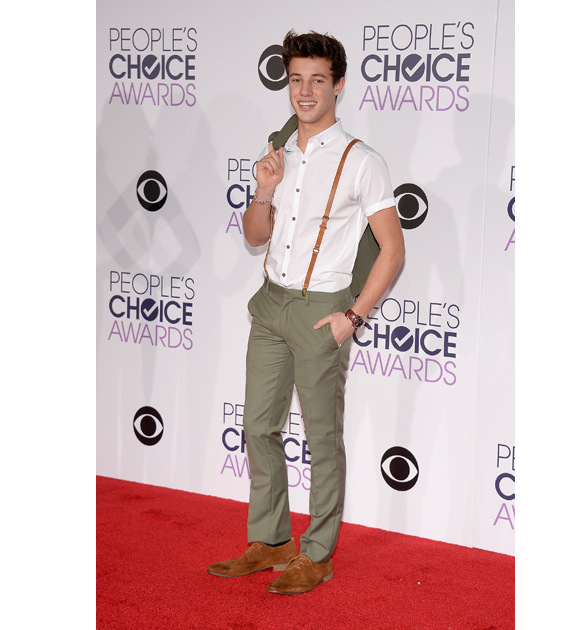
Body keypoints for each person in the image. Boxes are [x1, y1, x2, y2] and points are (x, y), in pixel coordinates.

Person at [208, 30, 405, 595]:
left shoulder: (362, 161)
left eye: (318, 80)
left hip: (323, 312)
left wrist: (354, 316)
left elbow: (393, 250)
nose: (305, 91)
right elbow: (254, 236)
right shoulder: (278, 151)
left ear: (338, 86)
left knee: (321, 439)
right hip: (271, 304)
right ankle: (271, 541)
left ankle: (317, 554)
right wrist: (263, 189)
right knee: (258, 427)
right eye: (297, 79)